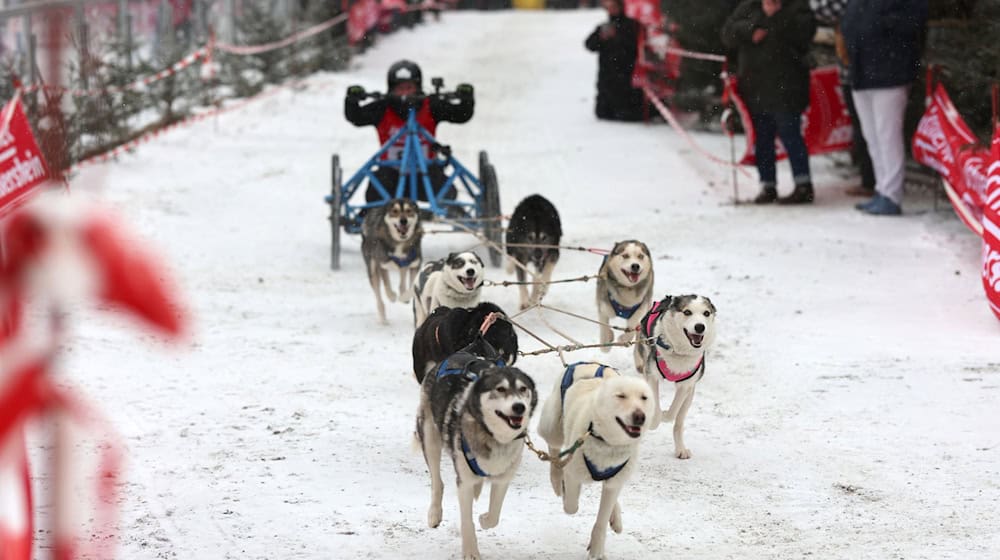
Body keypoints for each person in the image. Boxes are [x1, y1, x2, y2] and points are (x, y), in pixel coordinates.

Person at [722, 0, 817, 204]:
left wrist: (776, 17)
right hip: (756, 86)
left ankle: (803, 184)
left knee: (790, 134)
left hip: (787, 86)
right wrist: (750, 30)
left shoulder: (796, 8)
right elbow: (727, 33)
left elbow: (805, 34)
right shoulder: (748, 8)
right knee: (762, 139)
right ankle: (767, 184)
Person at [344, 60, 475, 203]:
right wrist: (352, 101)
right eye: (400, 89)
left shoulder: (431, 106)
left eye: (409, 88)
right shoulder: (382, 108)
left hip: (426, 174)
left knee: (448, 193)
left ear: (418, 88)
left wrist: (466, 99)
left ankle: (448, 213)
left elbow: (461, 115)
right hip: (390, 175)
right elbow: (356, 117)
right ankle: (374, 216)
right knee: (374, 195)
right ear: (391, 89)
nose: (405, 94)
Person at [841, 0, 928, 216]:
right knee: (872, 136)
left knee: (887, 135)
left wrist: (881, 24)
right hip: (861, 73)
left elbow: (915, 21)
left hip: (890, 72)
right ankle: (882, 189)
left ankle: (892, 194)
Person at [809, 0, 876, 198]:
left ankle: (874, 181)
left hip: (862, 70)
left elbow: (821, 9)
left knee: (870, 130)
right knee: (866, 129)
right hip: (855, 69)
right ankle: (872, 180)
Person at [585, 0, 644, 122]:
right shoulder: (604, 27)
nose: (611, 10)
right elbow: (589, 45)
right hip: (607, 80)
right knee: (603, 113)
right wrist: (601, 37)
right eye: (608, 7)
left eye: (613, 6)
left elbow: (633, 47)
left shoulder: (632, 25)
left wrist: (617, 37)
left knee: (626, 114)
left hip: (626, 78)